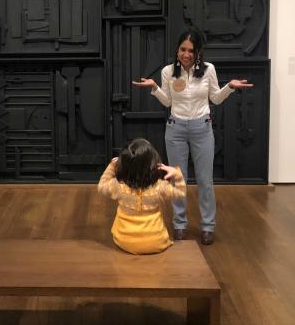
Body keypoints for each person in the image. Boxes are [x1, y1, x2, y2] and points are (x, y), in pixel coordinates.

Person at [132, 30, 253, 245]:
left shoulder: (209, 71)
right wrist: (154, 88)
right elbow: (168, 102)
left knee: (205, 180)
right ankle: (179, 224)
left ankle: (208, 226)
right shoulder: (168, 72)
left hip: (202, 128)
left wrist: (230, 87)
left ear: (198, 52)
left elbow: (215, 98)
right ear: (177, 50)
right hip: (176, 128)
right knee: (178, 179)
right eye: (182, 49)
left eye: (191, 50)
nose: (186, 54)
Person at [98, 138, 186, 255]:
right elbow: (181, 193)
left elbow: (101, 186)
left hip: (124, 242)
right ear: (152, 163)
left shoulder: (118, 186)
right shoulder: (159, 187)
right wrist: (177, 175)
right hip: (156, 242)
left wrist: (111, 167)